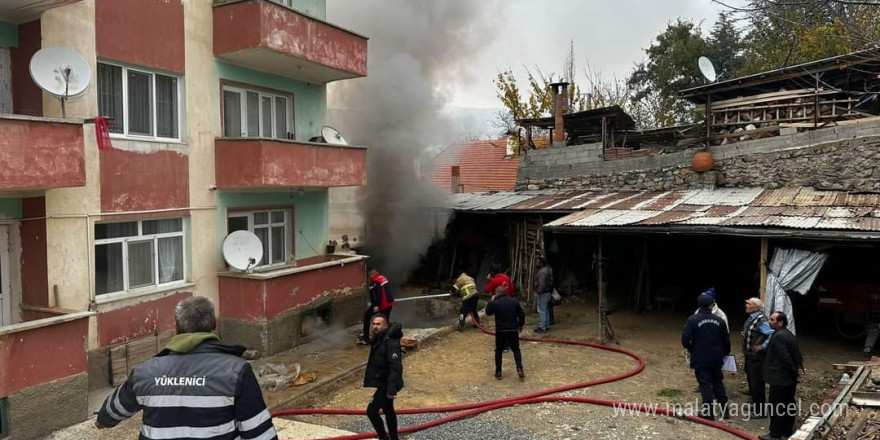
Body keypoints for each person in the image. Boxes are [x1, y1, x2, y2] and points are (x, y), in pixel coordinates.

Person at [95, 296, 277, 440]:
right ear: (214, 323)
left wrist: (103, 421)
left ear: (177, 326)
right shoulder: (237, 371)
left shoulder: (145, 372)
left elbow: (111, 411)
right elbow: (260, 434)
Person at [682, 293, 731, 421]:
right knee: (717, 381)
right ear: (711, 305)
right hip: (716, 357)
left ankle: (708, 412)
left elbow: (685, 340)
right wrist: (724, 353)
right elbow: (726, 341)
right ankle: (725, 410)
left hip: (700, 357)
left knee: (704, 383)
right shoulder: (720, 320)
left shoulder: (692, 320)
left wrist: (692, 349)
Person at [759, 311, 805, 440]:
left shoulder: (779, 336)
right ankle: (787, 430)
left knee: (777, 406)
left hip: (781, 378)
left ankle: (775, 434)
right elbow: (797, 355)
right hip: (788, 379)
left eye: (773, 320)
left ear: (780, 322)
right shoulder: (788, 334)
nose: (770, 321)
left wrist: (795, 373)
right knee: (788, 405)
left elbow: (786, 358)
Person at [364, 314, 404, 440]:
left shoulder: (391, 343)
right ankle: (393, 438)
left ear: (385, 326)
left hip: (386, 385)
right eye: (374, 324)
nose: (375, 326)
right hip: (383, 382)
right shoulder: (379, 339)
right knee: (388, 410)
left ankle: (384, 438)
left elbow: (396, 367)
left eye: (378, 324)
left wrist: (391, 389)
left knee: (371, 411)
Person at [743, 297, 774, 419]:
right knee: (751, 379)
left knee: (757, 383)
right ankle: (755, 404)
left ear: (756, 307)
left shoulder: (761, 320)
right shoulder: (753, 318)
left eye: (748, 304)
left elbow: (772, 333)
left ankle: (760, 410)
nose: (746, 305)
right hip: (749, 355)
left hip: (756, 357)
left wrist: (763, 346)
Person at [486, 286, 526, 380]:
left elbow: (488, 312)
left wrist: (491, 301)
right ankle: (519, 367)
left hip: (501, 330)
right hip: (513, 329)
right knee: (516, 349)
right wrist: (520, 325)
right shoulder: (514, 301)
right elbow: (521, 314)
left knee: (499, 350)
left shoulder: (495, 303)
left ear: (496, 293)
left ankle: (498, 372)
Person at [359, 269, 396, 344]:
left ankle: (366, 338)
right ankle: (386, 337)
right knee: (385, 320)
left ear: (371, 275)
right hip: (389, 303)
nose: (368, 279)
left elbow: (378, 295)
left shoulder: (375, 282)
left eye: (369, 277)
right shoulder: (382, 278)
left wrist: (376, 305)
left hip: (382, 304)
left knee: (367, 316)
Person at [534, 256, 554, 333]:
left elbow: (541, 284)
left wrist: (538, 292)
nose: (536, 264)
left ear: (541, 263)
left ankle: (542, 327)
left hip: (543, 293)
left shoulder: (542, 272)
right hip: (548, 292)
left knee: (541, 310)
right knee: (545, 309)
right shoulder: (548, 269)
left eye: (537, 262)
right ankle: (546, 325)